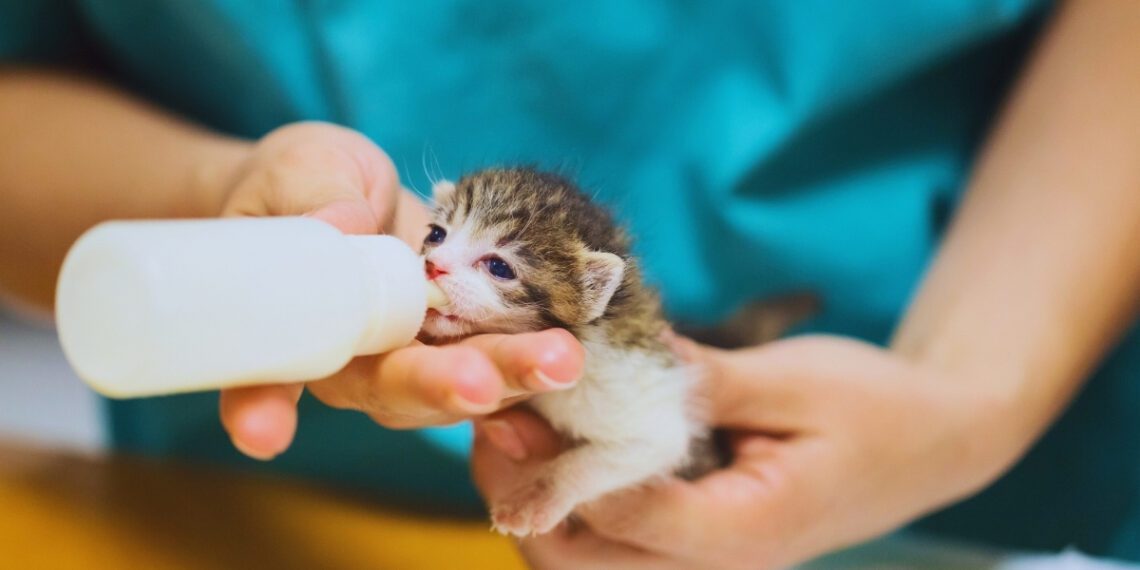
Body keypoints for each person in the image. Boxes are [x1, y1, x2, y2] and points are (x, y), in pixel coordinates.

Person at [2, 0, 1139, 567]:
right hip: (256, 516)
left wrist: (968, 396)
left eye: (491, 268)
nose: (436, 263)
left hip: (951, 481)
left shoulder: (608, 356)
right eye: (443, 229)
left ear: (587, 301)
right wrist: (226, 195)